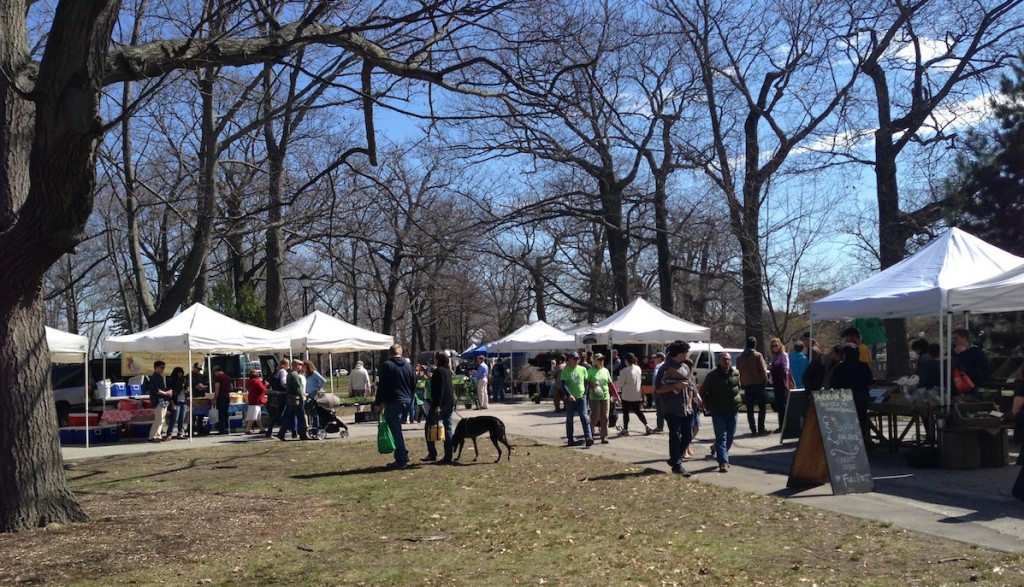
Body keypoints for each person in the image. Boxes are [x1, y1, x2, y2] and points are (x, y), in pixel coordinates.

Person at [655, 342, 695, 477]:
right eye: (685, 352)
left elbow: (690, 387)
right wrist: (675, 386)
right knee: (675, 435)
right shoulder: (665, 369)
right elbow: (659, 389)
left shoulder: (685, 367)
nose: (687, 354)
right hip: (671, 407)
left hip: (686, 408)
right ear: (680, 353)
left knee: (688, 434)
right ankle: (677, 465)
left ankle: (674, 459)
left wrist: (690, 403)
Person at [375, 343, 417, 469]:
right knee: (397, 429)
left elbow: (382, 385)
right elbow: (414, 382)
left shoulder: (387, 365)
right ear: (401, 352)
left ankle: (401, 458)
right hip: (407, 399)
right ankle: (402, 453)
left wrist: (379, 403)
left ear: (390, 353)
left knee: (395, 430)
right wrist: (410, 396)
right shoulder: (408, 365)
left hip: (393, 400)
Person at [700, 352, 742, 472]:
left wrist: (737, 402)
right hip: (718, 411)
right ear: (719, 361)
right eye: (724, 359)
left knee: (730, 437)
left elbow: (738, 387)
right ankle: (723, 462)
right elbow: (703, 391)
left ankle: (716, 448)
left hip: (733, 410)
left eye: (728, 359)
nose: (727, 362)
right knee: (721, 437)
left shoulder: (736, 373)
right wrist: (708, 405)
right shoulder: (712, 375)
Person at [831, 345, 875, 442]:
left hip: (845, 399)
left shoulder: (840, 368)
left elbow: (834, 384)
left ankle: (849, 444)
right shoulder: (863, 366)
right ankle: (862, 442)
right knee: (861, 422)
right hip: (861, 397)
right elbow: (870, 381)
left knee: (846, 424)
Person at [423, 351, 455, 463]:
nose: (433, 360)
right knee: (448, 428)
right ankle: (448, 455)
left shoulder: (438, 371)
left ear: (438, 359)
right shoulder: (447, 371)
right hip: (449, 402)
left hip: (440, 404)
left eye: (435, 358)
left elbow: (439, 390)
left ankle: (432, 453)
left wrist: (437, 405)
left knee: (429, 426)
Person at [736, 337, 769, 436]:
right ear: (755, 344)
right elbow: (763, 370)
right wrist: (765, 380)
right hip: (758, 384)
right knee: (762, 407)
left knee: (750, 408)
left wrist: (741, 382)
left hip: (747, 385)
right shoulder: (757, 355)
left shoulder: (740, 358)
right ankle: (761, 428)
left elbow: (738, 372)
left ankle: (753, 429)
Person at [560, 352, 593, 447]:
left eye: (577, 359)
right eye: (574, 359)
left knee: (584, 417)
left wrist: (586, 394)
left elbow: (586, 382)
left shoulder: (583, 369)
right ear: (569, 360)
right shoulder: (565, 371)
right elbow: (564, 384)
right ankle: (570, 439)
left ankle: (588, 437)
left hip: (581, 397)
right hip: (570, 399)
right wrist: (569, 395)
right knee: (570, 419)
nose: (576, 361)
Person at [616, 353, 653, 436]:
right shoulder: (638, 368)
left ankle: (625, 429)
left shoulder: (624, 370)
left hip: (627, 394)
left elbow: (620, 384)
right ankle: (647, 425)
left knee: (626, 412)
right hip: (636, 394)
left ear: (626, 360)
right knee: (638, 411)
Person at [951, 328, 991, 396]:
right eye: (953, 339)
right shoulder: (951, 352)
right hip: (954, 387)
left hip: (970, 386)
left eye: (956, 338)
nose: (953, 341)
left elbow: (986, 369)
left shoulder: (975, 351)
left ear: (964, 338)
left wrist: (975, 381)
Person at [277, 361, 310, 441]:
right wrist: (302, 396)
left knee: (289, 417)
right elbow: (298, 388)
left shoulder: (290, 374)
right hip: (296, 399)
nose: (301, 367)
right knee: (301, 417)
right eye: (300, 365)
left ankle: (281, 433)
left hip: (291, 399)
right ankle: (302, 434)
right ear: (296, 365)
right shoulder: (294, 375)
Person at [587, 353, 613, 444]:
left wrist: (616, 396)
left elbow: (610, 383)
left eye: (602, 359)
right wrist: (592, 385)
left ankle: (604, 436)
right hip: (594, 397)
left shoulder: (606, 370)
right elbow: (587, 382)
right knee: (595, 416)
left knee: (605, 417)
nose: (602, 361)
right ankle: (590, 434)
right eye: (600, 359)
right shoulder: (590, 371)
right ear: (595, 361)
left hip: (605, 396)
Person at [768, 337, 791, 434]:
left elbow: (786, 368)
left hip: (783, 383)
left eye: (776, 345)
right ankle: (781, 425)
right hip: (776, 383)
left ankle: (785, 426)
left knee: (783, 405)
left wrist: (775, 367)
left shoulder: (783, 355)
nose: (774, 347)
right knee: (779, 405)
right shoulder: (775, 356)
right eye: (773, 346)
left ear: (780, 345)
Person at [264, 358, 290, 438]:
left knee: (280, 413)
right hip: (284, 394)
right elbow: (283, 383)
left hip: (278, 394)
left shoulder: (277, 371)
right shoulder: (283, 372)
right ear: (285, 365)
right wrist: (289, 387)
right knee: (287, 412)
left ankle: (271, 430)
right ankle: (286, 429)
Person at [148, 361, 172, 442]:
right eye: (161, 367)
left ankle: (158, 435)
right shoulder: (154, 377)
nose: (163, 369)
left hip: (163, 400)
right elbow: (155, 390)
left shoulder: (160, 377)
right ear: (156, 367)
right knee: (158, 419)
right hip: (158, 400)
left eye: (164, 367)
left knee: (162, 419)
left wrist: (169, 391)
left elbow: (163, 388)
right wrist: (165, 393)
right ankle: (152, 436)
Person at [212, 365, 234, 435]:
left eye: (214, 373)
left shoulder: (218, 378)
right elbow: (231, 388)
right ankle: (227, 428)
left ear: (216, 371)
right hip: (227, 397)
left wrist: (215, 398)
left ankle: (221, 429)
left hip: (220, 397)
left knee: (221, 414)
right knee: (225, 413)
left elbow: (217, 389)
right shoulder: (228, 377)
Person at [168, 366, 189, 439]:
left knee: (182, 418)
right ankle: (169, 433)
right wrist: (172, 403)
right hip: (176, 401)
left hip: (184, 401)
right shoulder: (172, 380)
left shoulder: (184, 380)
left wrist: (187, 389)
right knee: (174, 418)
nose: (180, 374)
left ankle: (180, 433)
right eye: (178, 373)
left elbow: (187, 390)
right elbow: (171, 393)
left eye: (181, 373)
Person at [243, 369, 267, 434]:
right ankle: (247, 429)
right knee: (253, 416)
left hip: (252, 399)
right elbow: (262, 389)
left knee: (258, 417)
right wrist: (265, 385)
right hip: (257, 400)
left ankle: (262, 429)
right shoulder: (257, 381)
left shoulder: (249, 381)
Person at [650, 352, 666, 430]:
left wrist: (655, 387)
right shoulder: (666, 366)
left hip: (658, 389)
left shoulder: (658, 367)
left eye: (655, 358)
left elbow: (656, 377)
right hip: (666, 389)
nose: (654, 360)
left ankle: (660, 426)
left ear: (659, 358)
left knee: (659, 409)